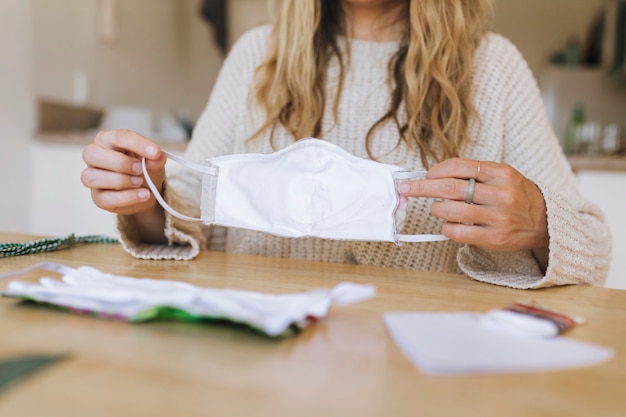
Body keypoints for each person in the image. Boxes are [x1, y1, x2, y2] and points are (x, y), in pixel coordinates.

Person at [81, 0, 611, 289]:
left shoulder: (493, 68)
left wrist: (538, 223)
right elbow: (185, 225)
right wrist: (145, 201)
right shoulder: (254, 58)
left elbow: (592, 250)